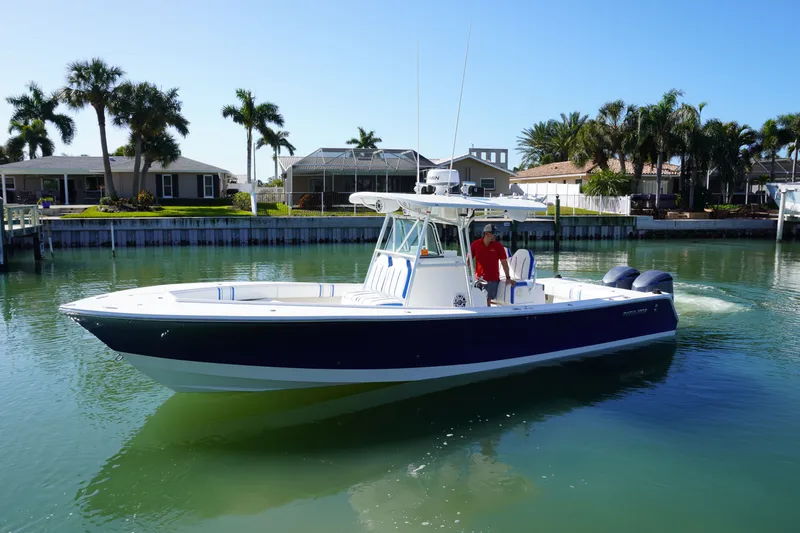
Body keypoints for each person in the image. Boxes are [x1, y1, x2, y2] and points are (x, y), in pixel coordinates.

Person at [470, 224, 515, 306]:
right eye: (494, 233)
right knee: (477, 300)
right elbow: (468, 260)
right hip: (478, 279)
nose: (495, 235)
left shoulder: (498, 246)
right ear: (486, 233)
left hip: (492, 279)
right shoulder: (475, 244)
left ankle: (486, 316)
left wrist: (508, 277)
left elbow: (504, 263)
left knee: (487, 301)